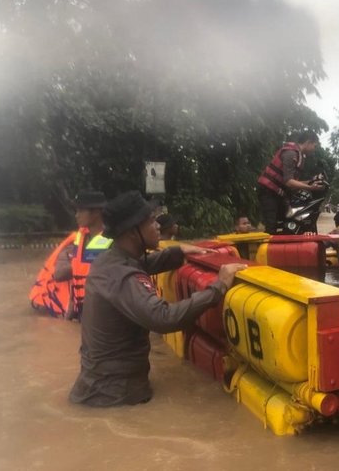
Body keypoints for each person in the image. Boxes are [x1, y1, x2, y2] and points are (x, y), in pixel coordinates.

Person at [69, 191, 246, 407]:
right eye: (152, 221)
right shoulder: (122, 276)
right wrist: (218, 287)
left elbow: (143, 264)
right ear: (133, 232)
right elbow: (163, 318)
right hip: (115, 397)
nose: (158, 226)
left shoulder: (110, 261)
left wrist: (178, 252)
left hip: (100, 390)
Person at [54, 190, 112, 320]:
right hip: (81, 311)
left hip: (103, 315)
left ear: (96, 212)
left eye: (80, 211)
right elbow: (76, 275)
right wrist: (71, 307)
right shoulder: (81, 237)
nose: (76, 215)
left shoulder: (112, 240)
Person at [257, 132, 324, 234]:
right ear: (308, 142)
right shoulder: (291, 153)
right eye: (314, 145)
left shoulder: (299, 155)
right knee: (271, 226)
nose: (314, 149)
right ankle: (268, 247)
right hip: (269, 191)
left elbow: (293, 182)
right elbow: (288, 182)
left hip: (278, 193)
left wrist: (311, 182)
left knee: (289, 220)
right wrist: (311, 188)